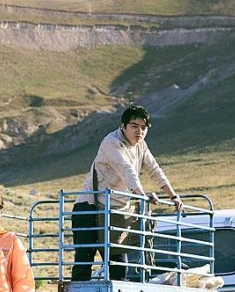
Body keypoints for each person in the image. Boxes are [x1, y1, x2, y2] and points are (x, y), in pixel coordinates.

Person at [71, 104, 183, 281]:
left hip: (115, 213)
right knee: (84, 261)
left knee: (118, 265)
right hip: (90, 207)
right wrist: (141, 195)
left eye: (144, 127)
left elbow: (154, 169)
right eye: (134, 126)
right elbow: (126, 169)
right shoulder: (111, 142)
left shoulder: (141, 146)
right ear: (122, 126)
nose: (140, 131)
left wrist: (173, 196)